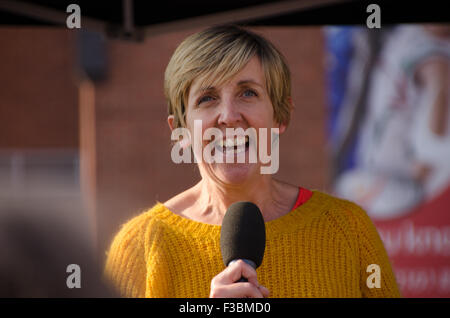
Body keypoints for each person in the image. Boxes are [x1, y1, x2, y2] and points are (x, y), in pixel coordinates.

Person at [104, 25, 400, 298]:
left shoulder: (349, 230)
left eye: (248, 93)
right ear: (181, 131)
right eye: (207, 98)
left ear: (281, 117)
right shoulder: (140, 248)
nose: (229, 116)